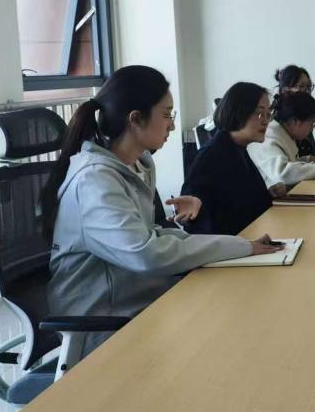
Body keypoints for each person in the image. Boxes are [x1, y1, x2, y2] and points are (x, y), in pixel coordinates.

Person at [43, 66, 282, 357]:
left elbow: (152, 235)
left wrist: (240, 246)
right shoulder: (95, 180)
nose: (172, 125)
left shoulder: (137, 165)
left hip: (140, 297)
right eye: (167, 115)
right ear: (135, 119)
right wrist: (240, 247)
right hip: (104, 321)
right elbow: (147, 252)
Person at [182, 82, 284, 237]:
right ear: (238, 112)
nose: (265, 121)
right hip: (229, 246)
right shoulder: (213, 155)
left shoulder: (236, 147)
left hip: (248, 239)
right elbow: (196, 217)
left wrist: (267, 195)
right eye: (259, 113)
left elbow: (239, 201)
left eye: (268, 114)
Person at [250, 91, 315, 188]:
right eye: (311, 123)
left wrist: (314, 159)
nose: (312, 128)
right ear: (296, 121)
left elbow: (292, 162)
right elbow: (283, 173)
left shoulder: (282, 133)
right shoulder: (269, 137)